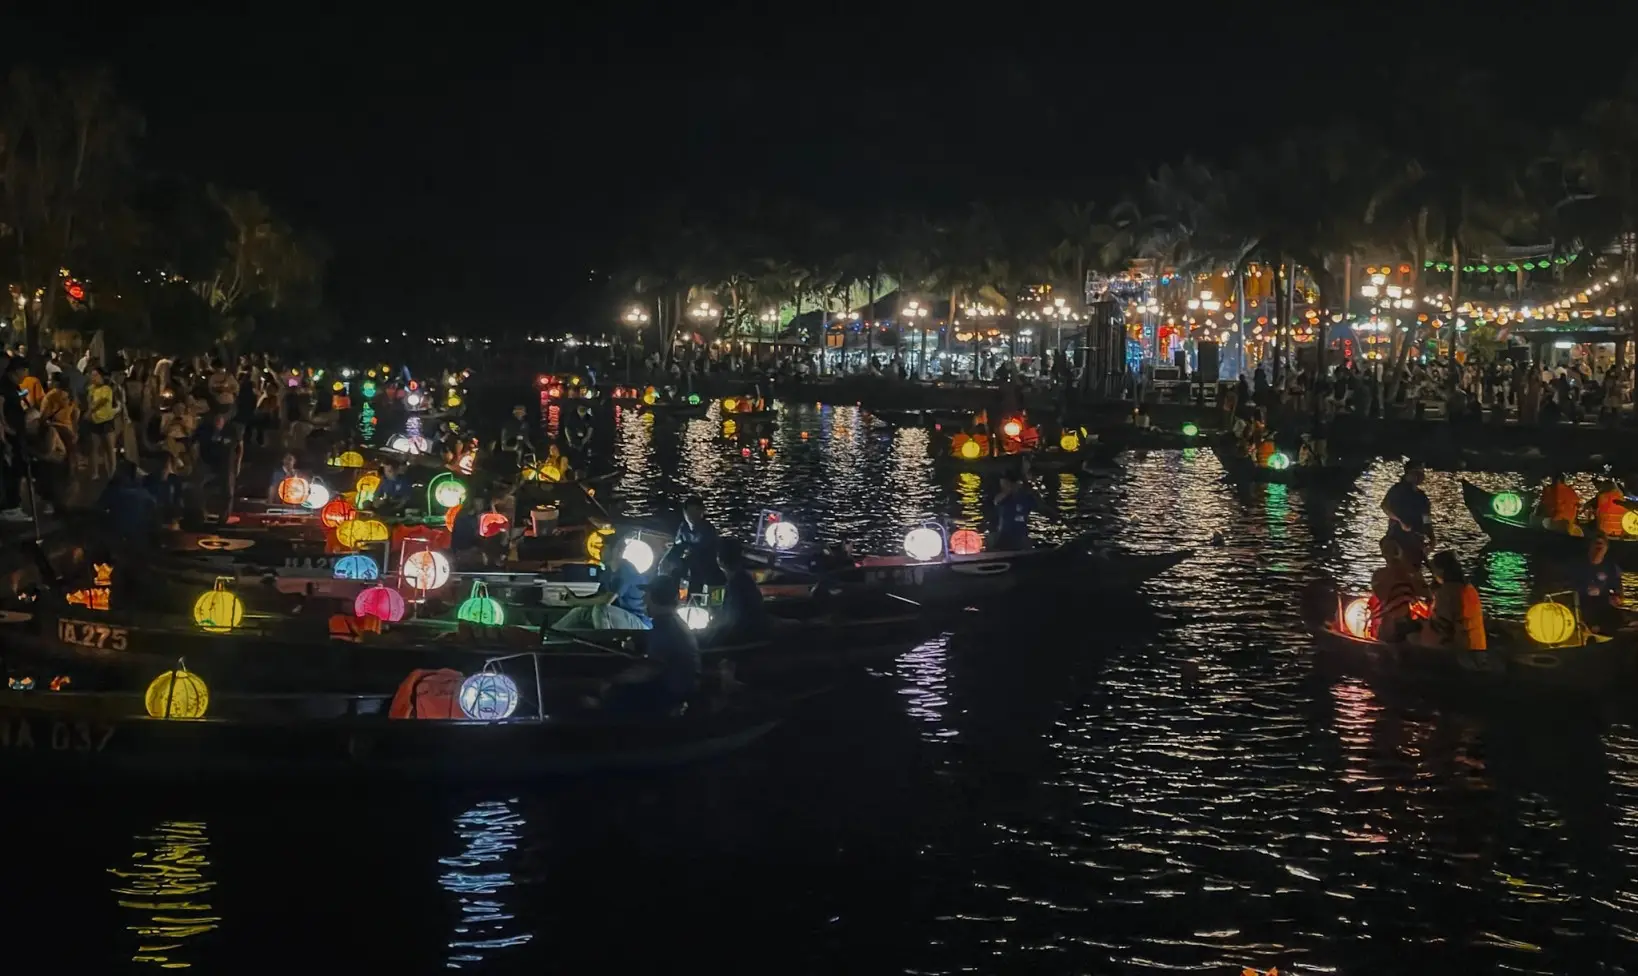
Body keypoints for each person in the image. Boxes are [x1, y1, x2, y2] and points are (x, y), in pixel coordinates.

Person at [595, 574, 700, 715]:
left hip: (671, 693)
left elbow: (649, 670)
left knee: (613, 696)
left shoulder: (666, 627)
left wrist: (613, 680)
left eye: (647, 595)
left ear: (656, 597)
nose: (644, 600)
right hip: (678, 689)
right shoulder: (673, 623)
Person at [553, 529, 653, 631]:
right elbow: (599, 596)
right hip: (617, 616)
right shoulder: (608, 572)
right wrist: (576, 599)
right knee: (579, 612)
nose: (599, 551)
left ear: (616, 550)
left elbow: (607, 599)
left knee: (600, 609)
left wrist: (577, 601)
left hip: (638, 622)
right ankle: (550, 638)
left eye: (603, 548)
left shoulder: (626, 570)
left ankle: (605, 644)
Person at [1413, 550, 1486, 650]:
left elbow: (1440, 628)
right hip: (1477, 646)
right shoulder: (1469, 589)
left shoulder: (1447, 593)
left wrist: (1421, 621)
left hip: (1459, 652)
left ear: (1442, 571)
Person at [1369, 537, 1431, 640]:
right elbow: (1425, 593)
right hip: (1406, 620)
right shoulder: (1410, 575)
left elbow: (1380, 595)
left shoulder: (1380, 575)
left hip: (1390, 623)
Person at [661, 495, 722, 593]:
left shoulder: (708, 529)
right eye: (690, 512)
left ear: (702, 512)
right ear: (685, 513)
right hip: (688, 567)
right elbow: (677, 547)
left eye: (696, 512)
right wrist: (666, 560)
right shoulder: (683, 528)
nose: (693, 516)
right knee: (670, 571)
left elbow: (706, 553)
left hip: (705, 570)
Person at [710, 539, 768, 643]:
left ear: (719, 560)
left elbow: (730, 623)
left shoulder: (736, 585)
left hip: (742, 638)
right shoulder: (743, 579)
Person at [1381, 459, 1433, 564]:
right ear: (1408, 474)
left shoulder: (1422, 496)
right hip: (1397, 537)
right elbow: (1385, 507)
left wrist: (1432, 536)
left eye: (1422, 472)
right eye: (1417, 472)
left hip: (1416, 538)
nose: (1420, 476)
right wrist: (1400, 521)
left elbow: (1426, 517)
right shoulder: (1397, 490)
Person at [1576, 532, 1624, 634]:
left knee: (1619, 619)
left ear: (1606, 549)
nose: (1598, 550)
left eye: (1601, 547)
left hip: (1602, 604)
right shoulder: (1577, 564)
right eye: (1596, 546)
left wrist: (1617, 597)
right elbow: (1565, 586)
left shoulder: (1612, 568)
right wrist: (1585, 590)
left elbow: (1618, 589)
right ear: (1590, 546)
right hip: (1580, 604)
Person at [85, 366, 119, 482]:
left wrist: (90, 410)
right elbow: (89, 401)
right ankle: (95, 473)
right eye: (92, 375)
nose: (93, 378)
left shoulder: (107, 389)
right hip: (95, 421)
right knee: (94, 448)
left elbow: (101, 401)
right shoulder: (91, 389)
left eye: (95, 375)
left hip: (106, 422)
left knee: (109, 448)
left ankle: (112, 473)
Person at [990, 470, 1034, 551]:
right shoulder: (1003, 498)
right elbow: (997, 501)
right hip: (1005, 532)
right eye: (1002, 484)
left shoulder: (1026, 496)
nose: (1003, 486)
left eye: (1005, 484)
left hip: (1020, 532)